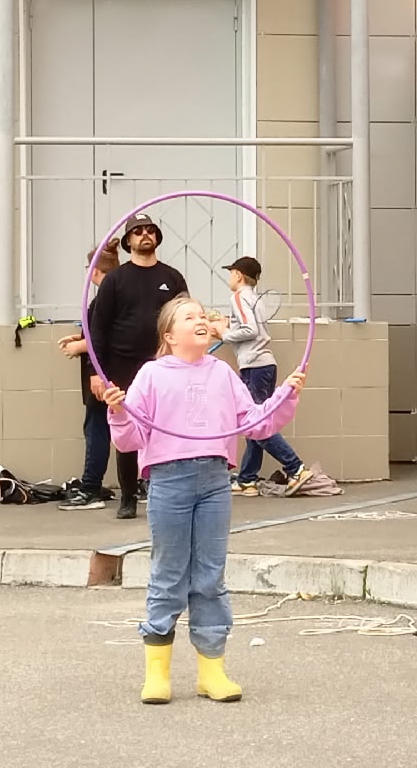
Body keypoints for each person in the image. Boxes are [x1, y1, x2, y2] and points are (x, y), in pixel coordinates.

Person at [101, 297, 304, 704]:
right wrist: (119, 412)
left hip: (215, 479)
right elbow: (131, 437)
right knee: (169, 572)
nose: (200, 320)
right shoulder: (151, 374)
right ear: (169, 335)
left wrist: (286, 393)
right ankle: (157, 674)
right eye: (188, 316)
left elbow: (254, 422)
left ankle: (212, 671)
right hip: (168, 480)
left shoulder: (222, 372)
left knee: (210, 575)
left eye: (202, 315)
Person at [86, 218, 187, 521]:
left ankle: (161, 489)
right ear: (128, 241)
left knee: (166, 426)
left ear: (157, 237)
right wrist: (95, 371)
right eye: (138, 231)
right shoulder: (115, 280)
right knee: (127, 428)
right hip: (123, 365)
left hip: (164, 364)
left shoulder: (172, 277)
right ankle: (128, 496)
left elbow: (184, 318)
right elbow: (97, 330)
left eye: (150, 230)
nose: (145, 235)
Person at [219, 256, 309, 496]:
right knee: (255, 422)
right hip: (265, 365)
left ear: (238, 275)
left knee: (255, 424)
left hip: (254, 366)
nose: (230, 278)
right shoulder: (256, 299)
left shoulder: (238, 297)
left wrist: (224, 334)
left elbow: (250, 329)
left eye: (231, 273)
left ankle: (296, 468)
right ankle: (247, 479)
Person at [56, 241, 124, 509]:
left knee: (97, 430)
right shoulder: (119, 295)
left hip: (105, 375)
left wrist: (81, 347)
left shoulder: (106, 299)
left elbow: (110, 337)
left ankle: (91, 487)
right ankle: (137, 483)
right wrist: (81, 340)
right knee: (115, 429)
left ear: (94, 270)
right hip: (113, 372)